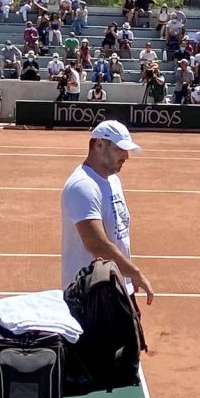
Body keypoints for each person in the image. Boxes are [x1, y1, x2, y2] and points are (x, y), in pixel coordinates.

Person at [60, 121, 154, 309]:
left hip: (115, 287)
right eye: (119, 149)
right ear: (99, 145)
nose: (126, 156)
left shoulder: (113, 181)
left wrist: (126, 276)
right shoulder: (83, 186)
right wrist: (134, 273)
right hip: (90, 295)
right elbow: (97, 243)